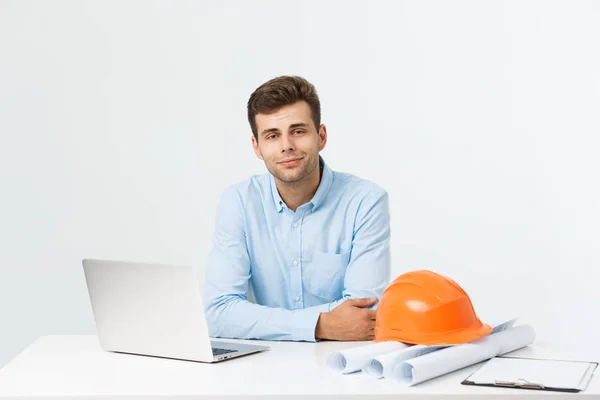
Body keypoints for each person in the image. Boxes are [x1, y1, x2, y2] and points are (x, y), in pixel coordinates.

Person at [203, 76, 391, 342]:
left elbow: (363, 314)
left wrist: (256, 319)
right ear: (257, 147)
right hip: (261, 367)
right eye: (272, 136)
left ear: (321, 136)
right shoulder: (239, 202)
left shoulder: (365, 201)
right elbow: (218, 314)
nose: (286, 146)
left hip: (337, 365)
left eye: (298, 131)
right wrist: (321, 325)